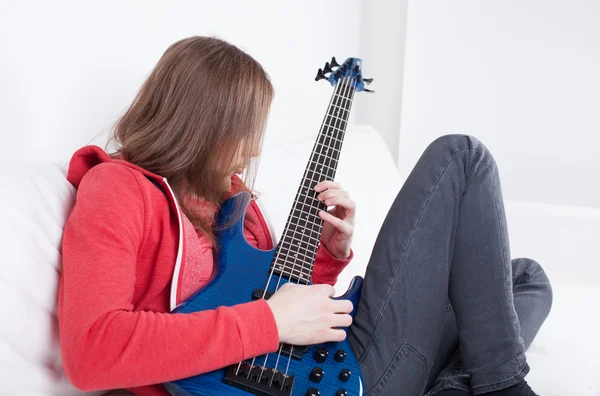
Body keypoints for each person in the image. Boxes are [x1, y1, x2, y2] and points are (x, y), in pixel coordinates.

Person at [58, 36, 552, 396]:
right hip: (285, 379)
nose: (253, 147)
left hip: (325, 359)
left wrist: (328, 254)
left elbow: (280, 295)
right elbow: (92, 349)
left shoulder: (231, 197)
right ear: (202, 126)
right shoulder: (119, 189)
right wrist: (268, 321)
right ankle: (503, 386)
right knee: (461, 156)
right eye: (246, 130)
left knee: (526, 278)